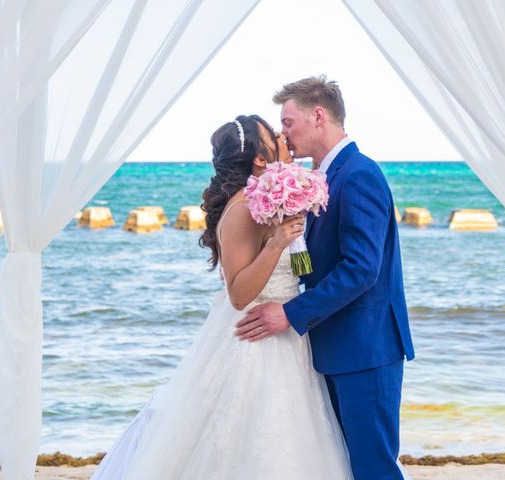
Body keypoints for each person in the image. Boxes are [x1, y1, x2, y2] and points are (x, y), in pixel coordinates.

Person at [91, 114, 353, 479]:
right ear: (261, 159)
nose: (281, 137)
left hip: (288, 336)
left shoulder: (269, 199)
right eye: (273, 135)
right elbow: (240, 293)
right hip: (256, 338)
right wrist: (278, 242)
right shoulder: (243, 207)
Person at [236, 76, 415, 480]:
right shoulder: (319, 177)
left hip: (365, 350)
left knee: (373, 468)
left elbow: (361, 269)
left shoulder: (359, 174)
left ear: (318, 116)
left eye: (288, 122)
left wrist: (290, 313)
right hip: (332, 347)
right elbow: (314, 264)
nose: (283, 132)